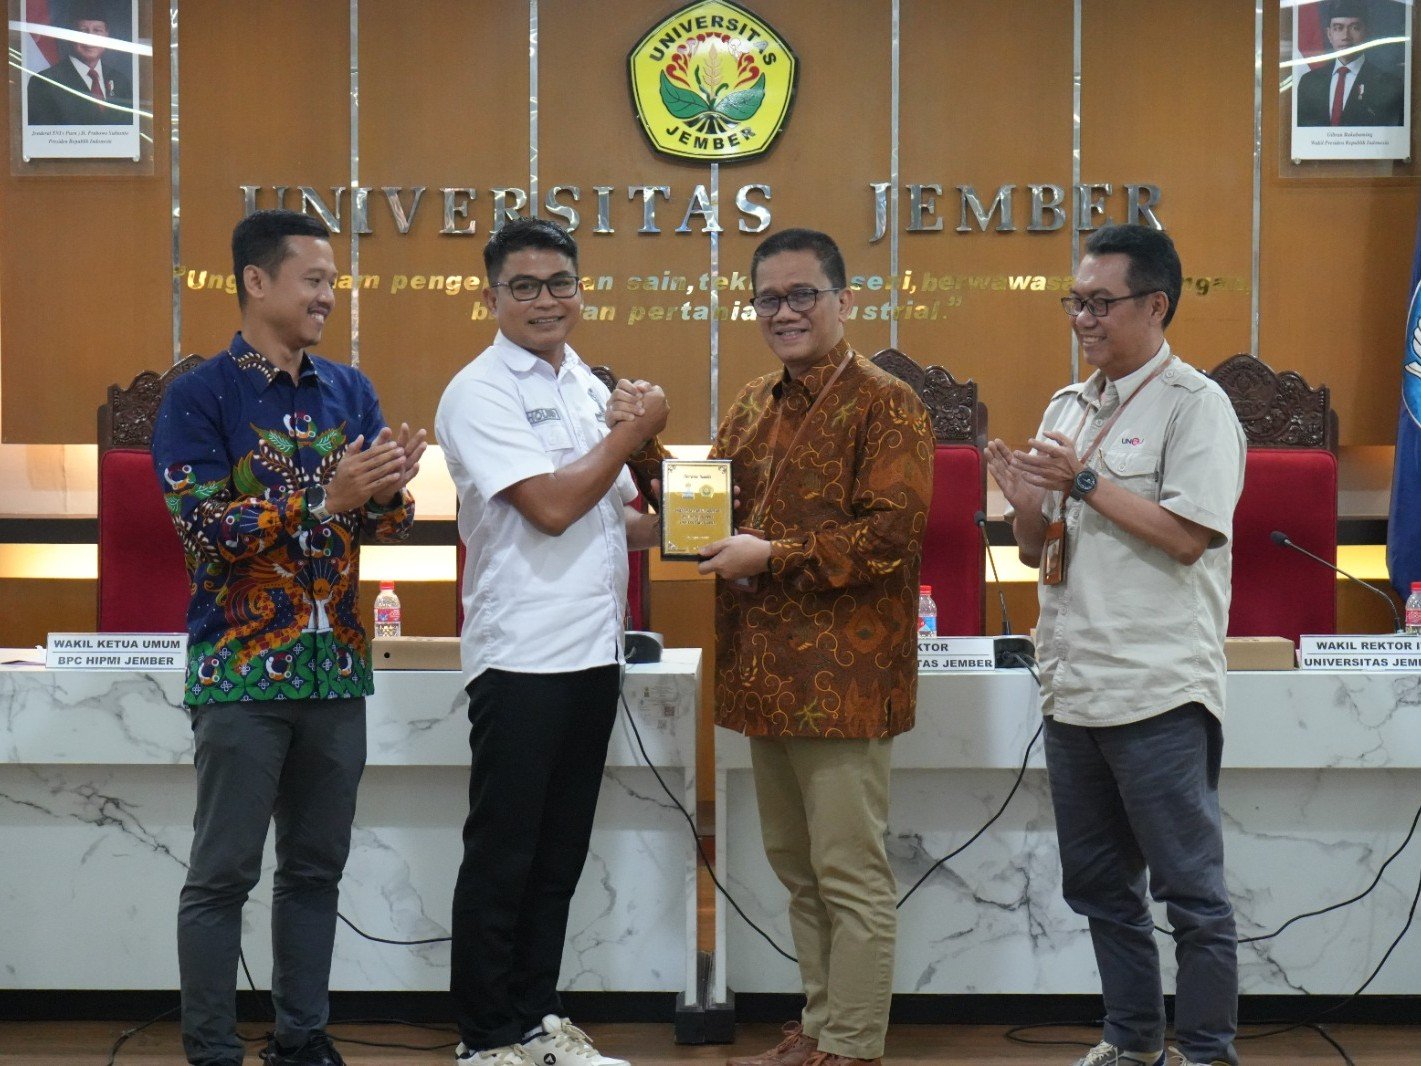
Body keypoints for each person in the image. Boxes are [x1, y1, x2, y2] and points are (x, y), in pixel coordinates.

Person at [614, 228, 934, 1066]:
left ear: (843, 301)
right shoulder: (753, 401)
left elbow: (891, 537)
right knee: (798, 868)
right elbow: (704, 511)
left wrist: (774, 555)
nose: (784, 312)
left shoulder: (887, 403)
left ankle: (853, 1043)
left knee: (849, 872)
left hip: (846, 677)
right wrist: (642, 442)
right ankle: (821, 1026)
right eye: (768, 298)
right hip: (767, 672)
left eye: (801, 295)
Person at [153, 208, 425, 1066]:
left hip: (335, 671)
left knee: (314, 872)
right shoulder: (199, 395)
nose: (327, 296)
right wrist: (324, 500)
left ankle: (302, 1040)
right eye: (312, 280)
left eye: (331, 282)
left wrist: (389, 494)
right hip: (240, 672)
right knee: (222, 875)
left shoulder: (349, 390)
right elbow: (204, 529)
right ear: (257, 281)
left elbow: (383, 526)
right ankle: (212, 1049)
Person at [985, 224, 1244, 1066]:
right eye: (1075, 302)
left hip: (1156, 688)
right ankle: (1131, 1042)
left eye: (1100, 303)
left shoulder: (1195, 406)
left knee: (1189, 893)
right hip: (1072, 686)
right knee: (1099, 887)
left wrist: (1084, 482)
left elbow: (1186, 537)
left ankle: (1204, 1052)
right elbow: (1035, 548)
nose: (1082, 319)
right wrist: (1025, 504)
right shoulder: (1067, 406)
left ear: (1154, 305)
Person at [435, 217, 666, 1066]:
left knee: (558, 854)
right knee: (504, 856)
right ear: (490, 296)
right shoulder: (479, 391)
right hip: (522, 655)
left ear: (580, 289)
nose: (545, 300)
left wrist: (692, 518)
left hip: (593, 651)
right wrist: (629, 433)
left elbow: (615, 520)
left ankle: (537, 1021)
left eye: (559, 283)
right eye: (524, 286)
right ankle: (485, 1037)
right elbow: (551, 507)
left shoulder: (584, 383)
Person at [1296, 0, 1404, 127]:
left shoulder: (1389, 85)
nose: (1346, 36)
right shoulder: (1309, 82)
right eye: (1338, 28)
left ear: (1366, 32)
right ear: (1329, 34)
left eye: (1355, 28)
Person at [26, 4, 134, 125]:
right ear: (70, 35)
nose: (90, 38)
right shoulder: (44, 83)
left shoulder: (121, 82)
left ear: (107, 35)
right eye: (83, 31)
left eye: (97, 30)